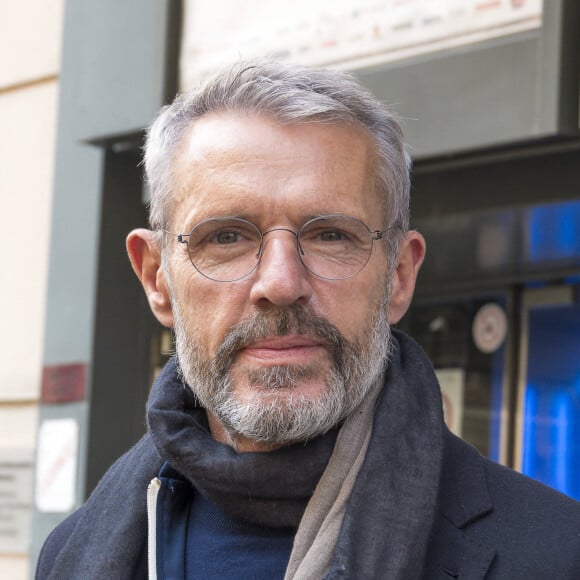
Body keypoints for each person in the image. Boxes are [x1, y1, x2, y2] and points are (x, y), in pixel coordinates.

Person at [36, 60, 580, 580]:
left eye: (330, 235)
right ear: (157, 278)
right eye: (226, 237)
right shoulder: (70, 555)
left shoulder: (556, 555)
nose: (280, 283)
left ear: (399, 276)